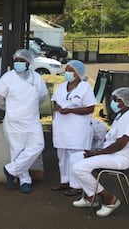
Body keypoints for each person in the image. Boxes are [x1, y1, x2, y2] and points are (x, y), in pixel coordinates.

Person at [70, 87, 129, 217]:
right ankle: (90, 197)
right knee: (75, 158)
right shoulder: (121, 115)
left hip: (120, 158)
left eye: (116, 100)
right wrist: (97, 151)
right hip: (110, 154)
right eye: (113, 99)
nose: (113, 102)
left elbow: (121, 143)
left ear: (126, 101)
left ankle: (108, 199)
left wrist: (98, 154)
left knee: (79, 168)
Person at [0, 49, 48, 193]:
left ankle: (11, 170)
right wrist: (8, 108)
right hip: (13, 120)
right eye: (16, 60)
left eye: (22, 61)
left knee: (38, 145)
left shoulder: (36, 78)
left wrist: (30, 106)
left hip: (32, 119)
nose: (19, 63)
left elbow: (42, 97)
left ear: (29, 62)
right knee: (17, 150)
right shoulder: (8, 77)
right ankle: (25, 181)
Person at [50, 60, 96, 196]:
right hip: (61, 128)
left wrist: (71, 111)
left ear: (78, 73)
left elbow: (90, 108)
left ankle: (78, 186)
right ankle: (65, 181)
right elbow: (54, 101)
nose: (67, 73)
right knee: (62, 156)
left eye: (71, 70)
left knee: (75, 157)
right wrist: (57, 107)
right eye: (67, 70)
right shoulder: (61, 86)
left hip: (77, 129)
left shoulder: (85, 88)